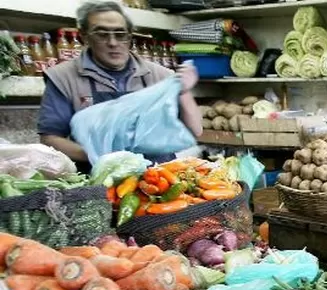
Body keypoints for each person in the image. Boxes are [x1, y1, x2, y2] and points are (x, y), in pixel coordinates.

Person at [38, 0, 203, 166]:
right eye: (102, 34)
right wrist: (98, 156)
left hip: (159, 175)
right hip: (99, 177)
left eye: (120, 34)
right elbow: (50, 138)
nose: (113, 43)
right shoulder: (63, 77)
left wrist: (184, 91)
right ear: (85, 36)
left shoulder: (160, 75)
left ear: (130, 36)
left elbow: (195, 130)